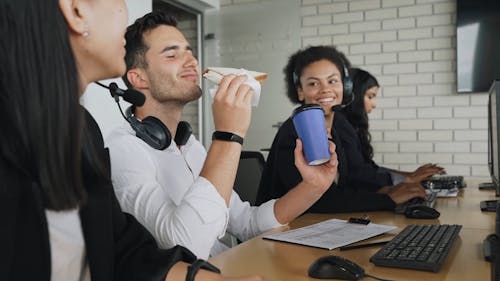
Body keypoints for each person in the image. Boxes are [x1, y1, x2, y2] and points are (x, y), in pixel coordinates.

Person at [0, 0, 268, 280]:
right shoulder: (114, 147)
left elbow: (126, 251)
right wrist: (228, 136)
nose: (125, 10)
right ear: (76, 10)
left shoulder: (81, 129)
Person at [106, 11, 338, 260]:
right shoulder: (123, 150)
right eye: (172, 54)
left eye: (190, 52)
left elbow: (247, 224)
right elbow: (183, 248)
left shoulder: (190, 146)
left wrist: (314, 186)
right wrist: (229, 135)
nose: (192, 61)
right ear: (138, 78)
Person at [257, 46, 427, 213]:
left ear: (345, 86)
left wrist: (386, 191)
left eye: (332, 81)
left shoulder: (337, 125)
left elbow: (348, 183)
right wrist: (387, 199)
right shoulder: (296, 132)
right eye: (313, 83)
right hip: (285, 230)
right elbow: (319, 201)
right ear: (300, 91)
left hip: (318, 225)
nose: (325, 89)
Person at [342, 68, 445, 190]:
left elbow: (370, 168)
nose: (374, 104)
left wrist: (409, 175)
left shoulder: (352, 126)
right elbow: (358, 174)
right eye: (370, 96)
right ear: (354, 96)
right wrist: (408, 179)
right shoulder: (342, 126)